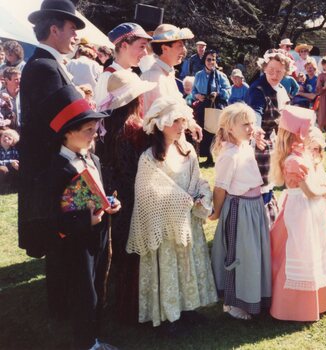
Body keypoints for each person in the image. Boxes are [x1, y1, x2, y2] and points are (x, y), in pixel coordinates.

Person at [126, 96, 218, 330]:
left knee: (188, 266)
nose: (180, 127)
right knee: (169, 269)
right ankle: (169, 314)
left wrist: (200, 196)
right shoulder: (149, 157)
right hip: (166, 227)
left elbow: (198, 181)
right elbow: (147, 193)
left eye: (182, 121)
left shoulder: (187, 150)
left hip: (188, 223)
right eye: (174, 121)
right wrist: (181, 200)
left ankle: (189, 308)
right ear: (159, 124)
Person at [41, 85, 121, 350]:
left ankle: (95, 337)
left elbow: (95, 192)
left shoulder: (92, 159)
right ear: (67, 133)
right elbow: (53, 215)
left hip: (97, 234)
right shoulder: (58, 169)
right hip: (74, 241)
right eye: (88, 130)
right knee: (83, 292)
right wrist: (88, 221)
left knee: (98, 285)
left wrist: (109, 202)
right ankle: (85, 342)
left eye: (95, 129)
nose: (94, 134)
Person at [269, 105, 326, 321]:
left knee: (315, 248)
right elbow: (309, 192)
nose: (313, 131)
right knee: (300, 251)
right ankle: (295, 303)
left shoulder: (300, 155)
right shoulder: (294, 161)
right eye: (309, 128)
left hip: (307, 209)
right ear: (298, 133)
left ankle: (322, 294)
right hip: (301, 212)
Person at [19, 0, 85, 260]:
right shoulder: (44, 67)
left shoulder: (49, 63)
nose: (76, 35)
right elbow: (58, 124)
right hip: (52, 165)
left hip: (55, 162)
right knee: (60, 240)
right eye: (72, 28)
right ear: (54, 30)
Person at [95, 70, 156, 324]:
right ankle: (132, 307)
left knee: (118, 250)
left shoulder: (105, 124)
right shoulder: (135, 129)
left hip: (112, 192)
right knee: (134, 252)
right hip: (133, 194)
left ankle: (115, 303)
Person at [209, 103, 271, 321]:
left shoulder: (245, 145)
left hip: (254, 206)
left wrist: (257, 137)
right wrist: (216, 212)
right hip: (240, 209)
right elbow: (220, 187)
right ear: (229, 127)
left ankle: (253, 295)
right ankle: (232, 302)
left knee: (253, 254)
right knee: (237, 255)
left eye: (252, 123)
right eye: (245, 124)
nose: (250, 127)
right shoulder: (229, 155)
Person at [246, 49, 294, 225]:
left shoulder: (281, 88)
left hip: (272, 141)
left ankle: (268, 219)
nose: (274, 74)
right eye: (271, 70)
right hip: (257, 142)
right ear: (264, 68)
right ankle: (257, 223)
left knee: (270, 181)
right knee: (259, 183)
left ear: (285, 72)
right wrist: (256, 128)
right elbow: (255, 112)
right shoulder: (257, 89)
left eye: (279, 71)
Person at [141, 24, 203, 141]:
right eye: (179, 46)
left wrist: (191, 123)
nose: (184, 50)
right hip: (161, 144)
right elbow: (158, 119)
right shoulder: (154, 76)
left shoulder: (166, 72)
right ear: (164, 48)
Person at [94, 23, 152, 103]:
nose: (145, 53)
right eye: (142, 46)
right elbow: (101, 112)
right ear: (124, 46)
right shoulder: (107, 77)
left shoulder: (133, 76)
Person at [192, 49, 231, 165]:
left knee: (216, 132)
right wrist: (196, 95)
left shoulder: (221, 76)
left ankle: (217, 158)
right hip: (202, 106)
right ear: (205, 60)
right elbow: (193, 90)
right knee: (203, 131)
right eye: (208, 59)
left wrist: (218, 94)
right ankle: (204, 156)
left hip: (216, 105)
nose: (210, 62)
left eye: (213, 59)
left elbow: (228, 91)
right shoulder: (199, 75)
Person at [0, 128, 20, 193]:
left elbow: (17, 160)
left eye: (9, 138)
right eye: (4, 136)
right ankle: (2, 188)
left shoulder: (14, 150)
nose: (6, 138)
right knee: (3, 169)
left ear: (13, 142)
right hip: (2, 169)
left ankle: (14, 187)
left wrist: (16, 164)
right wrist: (10, 162)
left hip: (11, 170)